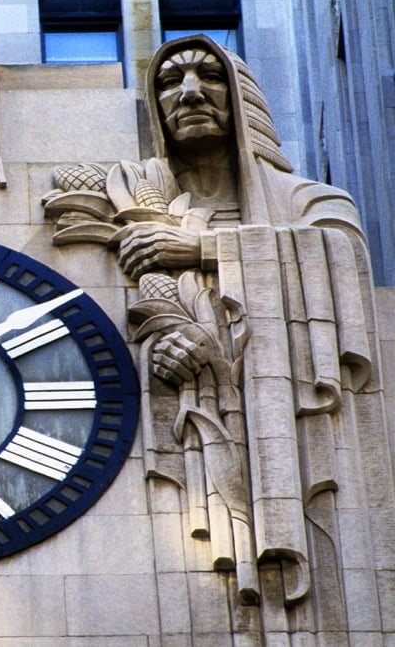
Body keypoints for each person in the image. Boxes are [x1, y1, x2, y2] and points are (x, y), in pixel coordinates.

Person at [84, 35, 388, 629]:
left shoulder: (308, 201)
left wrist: (202, 247)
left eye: (208, 76)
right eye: (171, 82)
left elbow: (339, 251)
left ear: (241, 97)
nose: (191, 92)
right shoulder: (143, 204)